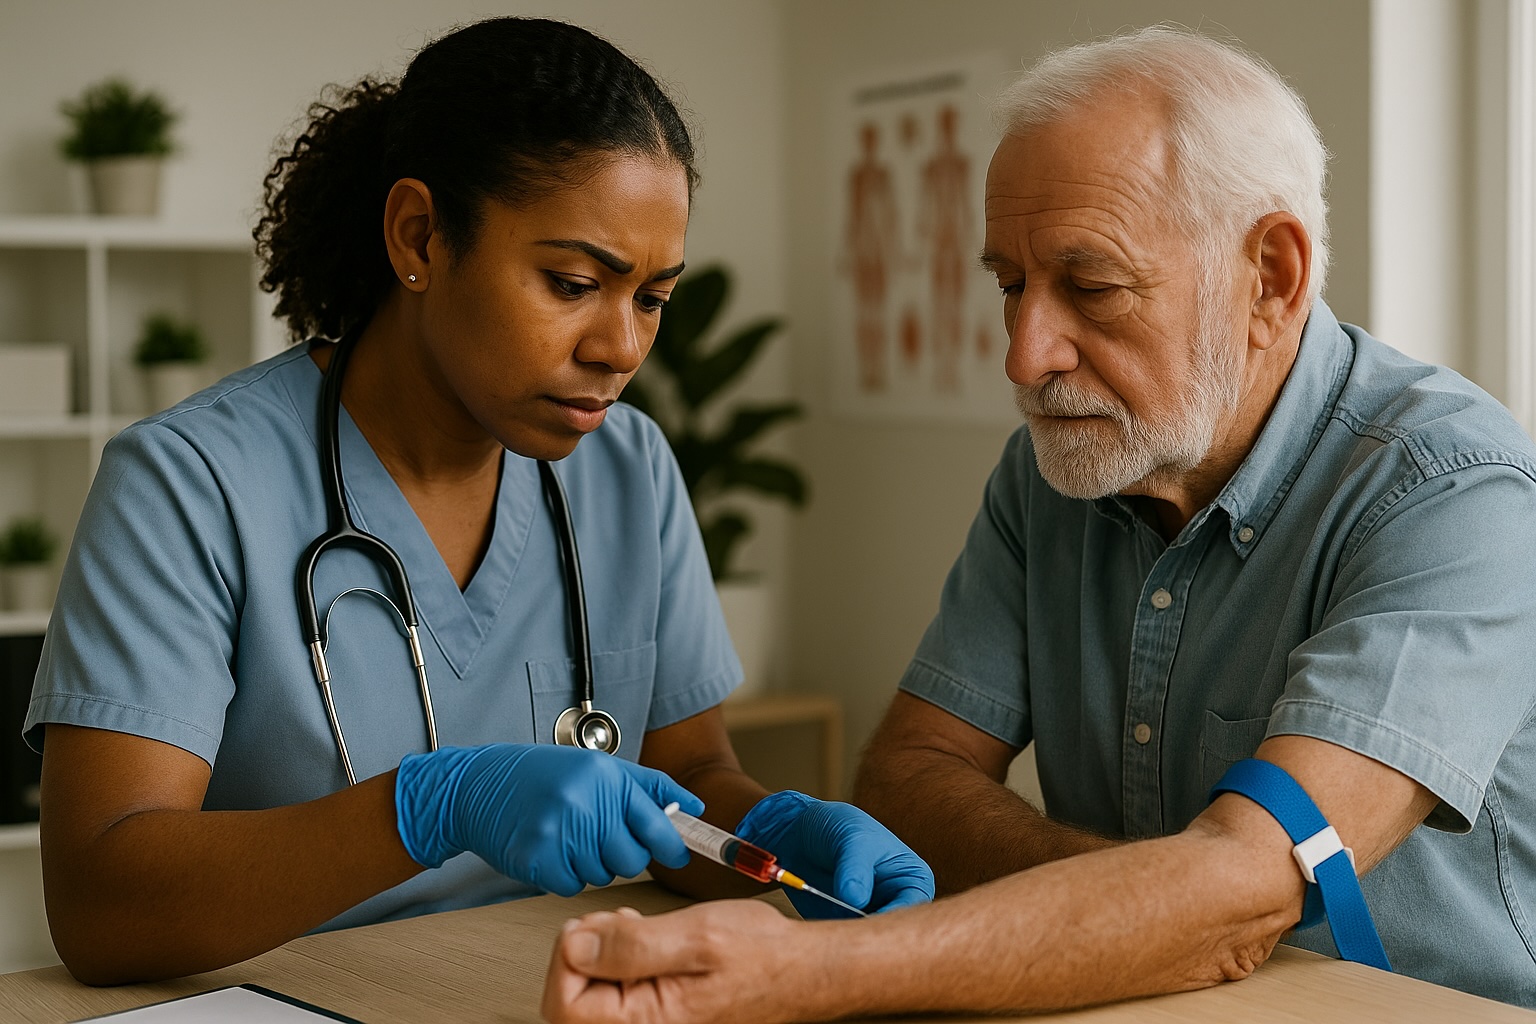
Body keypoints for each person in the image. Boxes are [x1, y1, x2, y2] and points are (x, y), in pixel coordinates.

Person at [541, 26, 1536, 1021]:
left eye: (1091, 286)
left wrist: (808, 974)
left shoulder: (1458, 493)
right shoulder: (1058, 467)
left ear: (1269, 278)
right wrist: (1136, 916)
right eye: (1011, 285)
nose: (1025, 356)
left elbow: (1250, 883)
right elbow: (910, 776)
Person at [24, 16, 931, 986]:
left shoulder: (628, 468)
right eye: (574, 281)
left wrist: (770, 835)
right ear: (419, 236)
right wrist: (432, 804)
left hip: (537, 986)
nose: (621, 346)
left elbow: (687, 782)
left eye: (653, 297)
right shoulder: (188, 484)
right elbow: (99, 902)